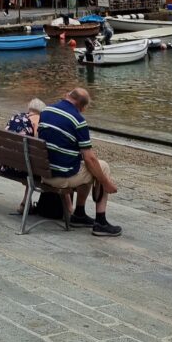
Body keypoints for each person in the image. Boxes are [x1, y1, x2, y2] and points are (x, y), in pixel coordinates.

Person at [37, 88, 121, 236]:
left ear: (68, 96)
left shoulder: (46, 111)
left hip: (44, 172)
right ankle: (100, 222)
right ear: (82, 107)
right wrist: (106, 183)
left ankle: (79, 214)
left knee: (89, 168)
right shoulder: (78, 121)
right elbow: (89, 158)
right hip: (61, 177)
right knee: (102, 167)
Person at [3, 98, 46, 212]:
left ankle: (25, 203)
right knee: (33, 163)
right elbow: (39, 144)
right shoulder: (38, 120)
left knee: (28, 159)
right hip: (21, 169)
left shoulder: (15, 117)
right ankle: (25, 203)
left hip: (6, 164)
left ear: (29, 108)